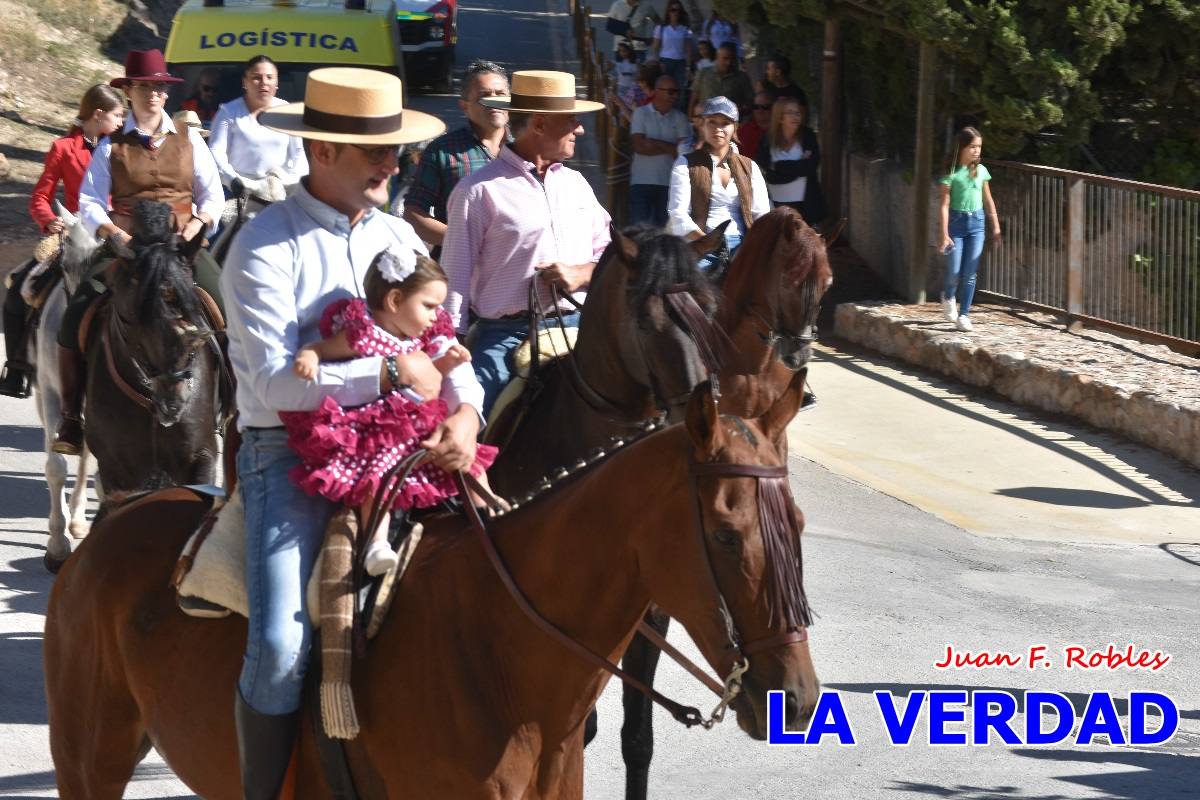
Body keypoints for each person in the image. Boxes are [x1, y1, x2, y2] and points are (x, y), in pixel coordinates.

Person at [221, 66, 479, 799]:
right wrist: (390, 377)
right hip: (290, 455)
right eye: (374, 152)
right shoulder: (263, 246)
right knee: (279, 645)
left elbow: (447, 345)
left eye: (393, 151)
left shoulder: (398, 236)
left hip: (414, 445)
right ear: (321, 151)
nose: (391, 165)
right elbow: (275, 385)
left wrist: (464, 412)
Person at [283, 247, 497, 576]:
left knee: (470, 456)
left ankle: (491, 512)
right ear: (395, 301)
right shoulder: (362, 334)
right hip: (383, 424)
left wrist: (449, 362)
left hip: (423, 420)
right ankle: (377, 543)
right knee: (380, 475)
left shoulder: (420, 337)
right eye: (428, 306)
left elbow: (430, 374)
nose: (434, 316)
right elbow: (320, 347)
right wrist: (309, 357)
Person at [52, 49, 224, 455]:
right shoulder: (111, 146)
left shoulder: (191, 142)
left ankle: (235, 405)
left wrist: (200, 223)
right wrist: (111, 232)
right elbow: (90, 200)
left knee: (223, 305)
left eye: (160, 88)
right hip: (127, 247)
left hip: (180, 245)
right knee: (77, 312)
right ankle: (71, 417)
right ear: (128, 91)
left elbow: (211, 195)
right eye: (145, 87)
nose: (153, 95)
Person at [441, 70, 611, 419]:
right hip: (507, 336)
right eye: (571, 120)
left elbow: (610, 252)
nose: (580, 129)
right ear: (538, 125)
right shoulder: (478, 191)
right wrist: (449, 349)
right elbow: (454, 280)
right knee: (468, 420)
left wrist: (582, 273)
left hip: (581, 327)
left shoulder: (577, 184)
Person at [0, 85, 125, 399]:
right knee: (19, 289)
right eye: (118, 115)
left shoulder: (123, 147)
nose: (123, 122)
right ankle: (17, 368)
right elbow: (40, 196)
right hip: (73, 234)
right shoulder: (63, 148)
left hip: (117, 232)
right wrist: (48, 219)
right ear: (98, 114)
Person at [402, 59, 509, 257]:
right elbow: (414, 214)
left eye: (500, 94)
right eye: (484, 96)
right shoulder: (443, 151)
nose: (494, 101)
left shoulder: (525, 148)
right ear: (464, 106)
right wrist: (465, 240)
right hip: (459, 271)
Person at [667, 96, 770, 270]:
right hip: (700, 244)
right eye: (712, 122)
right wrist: (709, 243)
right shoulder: (685, 163)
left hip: (744, 246)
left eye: (725, 123)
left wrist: (755, 245)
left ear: (735, 128)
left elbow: (761, 216)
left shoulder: (750, 166)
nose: (718, 128)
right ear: (702, 125)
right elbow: (678, 215)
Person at [207, 55, 307, 208]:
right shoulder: (228, 112)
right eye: (256, 77)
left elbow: (299, 154)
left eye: (269, 77)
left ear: (277, 82)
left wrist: (285, 183)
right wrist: (232, 181)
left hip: (280, 194)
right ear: (245, 82)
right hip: (237, 193)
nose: (264, 83)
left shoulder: (287, 110)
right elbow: (215, 152)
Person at [939, 126, 1001, 332]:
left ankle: (964, 314)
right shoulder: (951, 174)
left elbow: (989, 200)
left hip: (977, 225)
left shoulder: (981, 171)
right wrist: (944, 234)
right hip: (956, 225)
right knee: (954, 271)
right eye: (972, 146)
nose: (976, 151)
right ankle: (948, 295)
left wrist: (996, 228)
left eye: (979, 147)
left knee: (970, 272)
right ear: (962, 147)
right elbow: (944, 205)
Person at [629, 74, 690, 226]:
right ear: (657, 91)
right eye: (670, 91)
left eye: (677, 92)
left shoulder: (681, 118)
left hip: (670, 184)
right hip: (641, 181)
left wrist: (653, 143)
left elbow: (683, 154)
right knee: (639, 233)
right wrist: (670, 147)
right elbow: (639, 146)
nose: (675, 96)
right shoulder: (640, 113)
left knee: (664, 236)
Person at [755, 96, 826, 226]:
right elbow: (764, 174)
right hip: (776, 207)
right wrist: (797, 168)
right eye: (790, 113)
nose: (795, 116)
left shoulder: (808, 137)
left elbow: (810, 167)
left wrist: (777, 166)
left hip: (806, 208)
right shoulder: (767, 140)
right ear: (780, 117)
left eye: (797, 113)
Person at [690, 43, 755, 118]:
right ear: (717, 57)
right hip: (706, 122)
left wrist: (741, 111)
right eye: (725, 58)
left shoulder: (741, 77)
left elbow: (750, 101)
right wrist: (692, 120)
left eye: (732, 59)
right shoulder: (703, 74)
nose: (729, 63)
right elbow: (693, 99)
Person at [650, 2, 692, 107]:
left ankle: (679, 114)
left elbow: (688, 49)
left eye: (678, 10)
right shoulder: (661, 28)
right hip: (665, 61)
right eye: (673, 10)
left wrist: (688, 67)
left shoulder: (685, 29)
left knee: (680, 91)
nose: (675, 13)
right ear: (668, 12)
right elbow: (655, 47)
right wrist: (658, 63)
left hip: (680, 63)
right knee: (665, 90)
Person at [737, 90, 774, 164]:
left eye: (765, 107)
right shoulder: (743, 131)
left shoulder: (782, 131)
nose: (760, 110)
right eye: (756, 107)